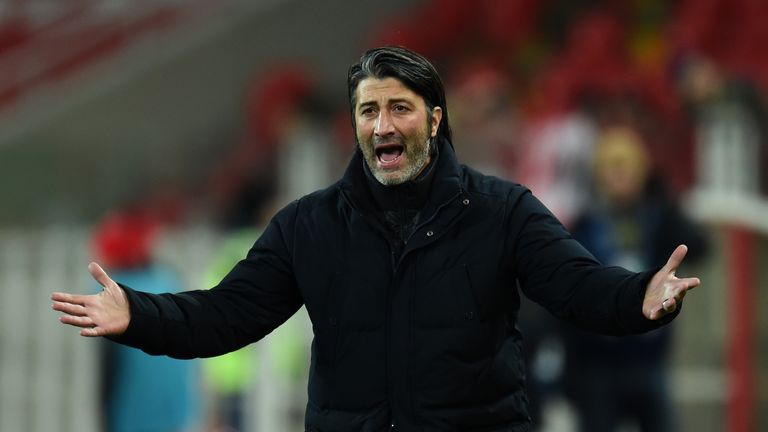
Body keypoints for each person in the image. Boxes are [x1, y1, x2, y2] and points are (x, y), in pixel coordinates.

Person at [52, 46, 701, 432]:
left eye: (399, 108)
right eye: (369, 110)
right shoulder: (308, 226)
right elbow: (223, 317)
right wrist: (138, 313)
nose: (382, 124)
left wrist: (637, 295)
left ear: (435, 119)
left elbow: (576, 285)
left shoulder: (504, 212)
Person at [561, 126, 709, 432]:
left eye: (626, 167)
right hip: (598, 362)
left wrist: (661, 193)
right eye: (611, 168)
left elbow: (700, 246)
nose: (619, 177)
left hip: (647, 356)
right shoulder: (584, 225)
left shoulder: (658, 218)